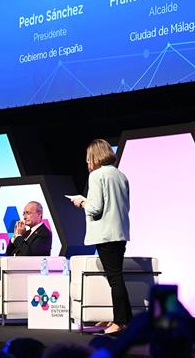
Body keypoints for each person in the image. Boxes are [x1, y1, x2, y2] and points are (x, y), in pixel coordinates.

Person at [71, 139, 131, 336]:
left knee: (115, 278)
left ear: (94, 157)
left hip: (105, 234)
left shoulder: (97, 176)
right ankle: (125, 320)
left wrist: (81, 202)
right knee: (117, 277)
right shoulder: (120, 175)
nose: (88, 162)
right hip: (119, 232)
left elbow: (95, 208)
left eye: (88, 158)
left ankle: (120, 322)